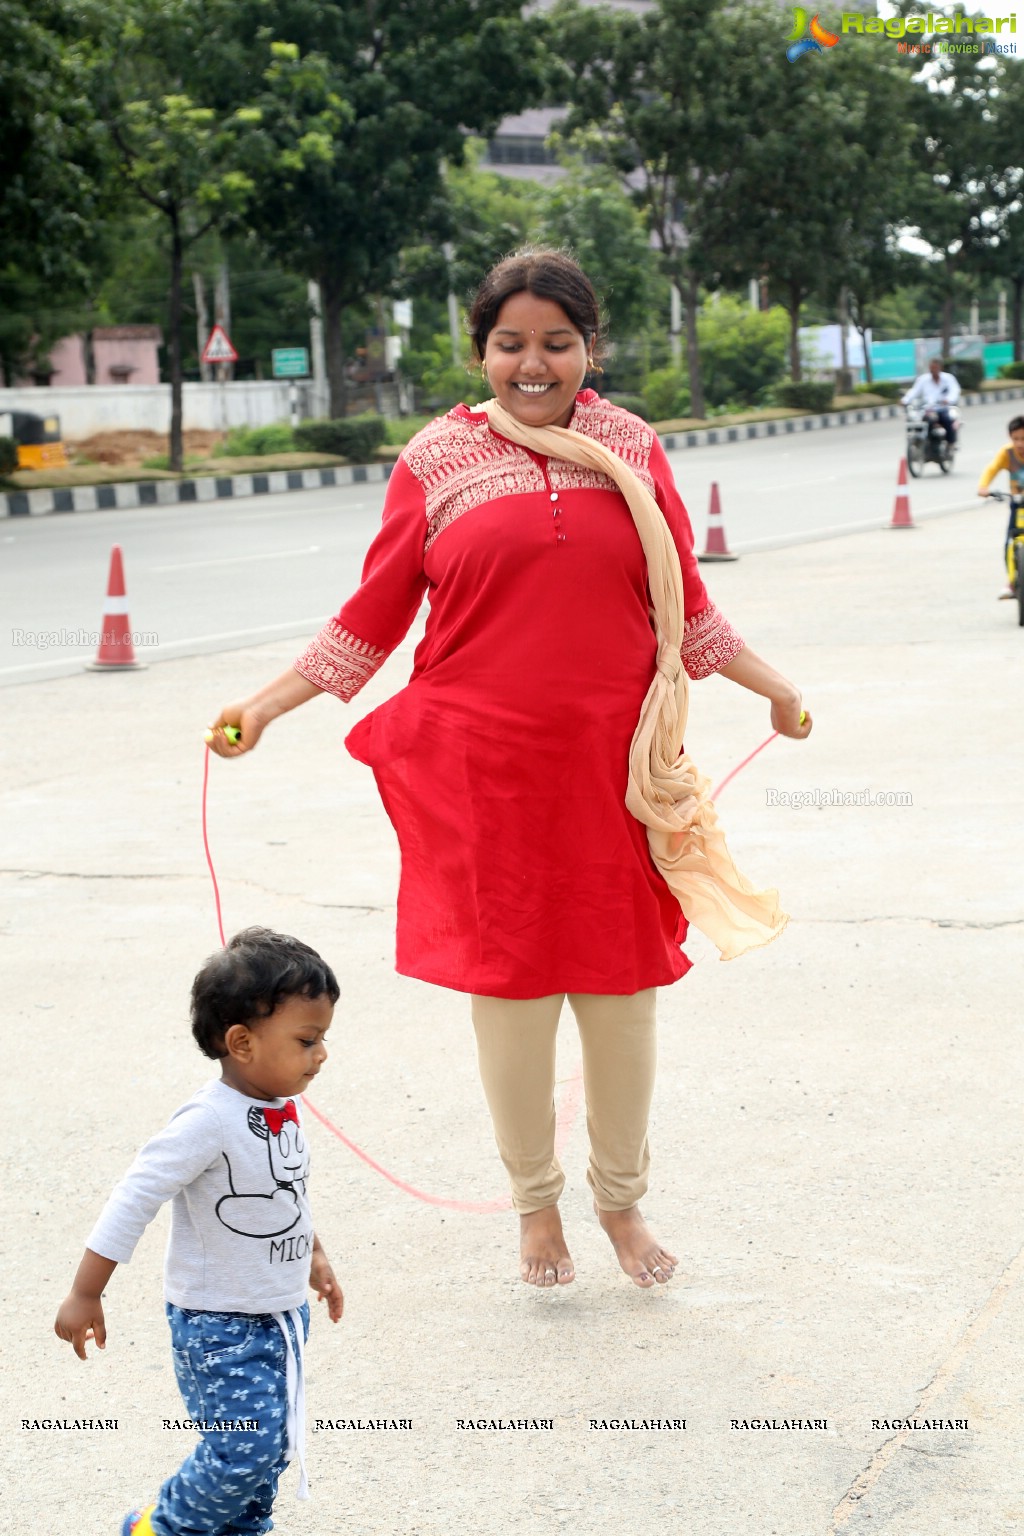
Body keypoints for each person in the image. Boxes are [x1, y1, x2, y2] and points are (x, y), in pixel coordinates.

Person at [207, 248, 811, 1292]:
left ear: (591, 349)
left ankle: (619, 1201)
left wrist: (772, 686)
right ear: (481, 349)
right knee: (516, 999)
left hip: (616, 773)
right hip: (490, 777)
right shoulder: (434, 460)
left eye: (556, 343)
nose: (533, 365)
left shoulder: (632, 444)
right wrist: (262, 707)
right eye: (510, 344)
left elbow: (686, 606)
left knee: (625, 997)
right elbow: (373, 616)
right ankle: (536, 1208)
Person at [54, 928, 344, 1536]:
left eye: (323, 1039)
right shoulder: (207, 1121)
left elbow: (288, 1197)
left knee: (270, 1450)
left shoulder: (277, 1109)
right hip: (221, 1325)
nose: (321, 1054)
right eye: (307, 1040)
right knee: (243, 1452)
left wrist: (313, 1256)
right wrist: (86, 1292)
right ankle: (160, 1527)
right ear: (241, 1042)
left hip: (280, 1315)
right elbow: (134, 1198)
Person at [977, 414, 1024, 598]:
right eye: (1016, 439)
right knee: (1009, 543)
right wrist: (983, 486)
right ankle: (1012, 582)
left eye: (1023, 439)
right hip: (1017, 503)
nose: (1019, 443)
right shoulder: (1007, 453)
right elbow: (992, 468)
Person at [901, 356, 961, 443]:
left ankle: (950, 443)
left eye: (935, 368)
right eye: (931, 368)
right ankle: (928, 442)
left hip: (942, 408)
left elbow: (955, 391)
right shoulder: (923, 379)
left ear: (940, 368)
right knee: (924, 421)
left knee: (948, 421)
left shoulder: (948, 378)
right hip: (928, 409)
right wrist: (905, 400)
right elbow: (914, 392)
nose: (933, 370)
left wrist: (948, 400)